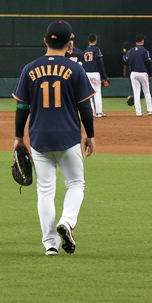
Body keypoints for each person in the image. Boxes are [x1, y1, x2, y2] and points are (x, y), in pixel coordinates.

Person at [12, 20, 96, 256]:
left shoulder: (30, 68)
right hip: (68, 137)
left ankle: (50, 244)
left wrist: (19, 137)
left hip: (39, 139)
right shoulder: (75, 69)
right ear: (70, 44)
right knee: (76, 184)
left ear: (45, 40)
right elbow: (85, 108)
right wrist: (90, 135)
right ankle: (67, 222)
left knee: (45, 192)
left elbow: (22, 108)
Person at [123, 35, 152, 116]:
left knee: (136, 92)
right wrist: (149, 74)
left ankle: (138, 112)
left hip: (133, 73)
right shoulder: (144, 51)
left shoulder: (131, 51)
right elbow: (148, 62)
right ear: (142, 42)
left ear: (136, 42)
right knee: (146, 91)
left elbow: (125, 59)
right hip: (143, 72)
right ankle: (150, 110)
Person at [81, 34, 107, 117]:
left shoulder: (85, 51)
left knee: (89, 94)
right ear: (95, 40)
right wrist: (104, 77)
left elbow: (82, 63)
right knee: (97, 92)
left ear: (88, 41)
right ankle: (99, 112)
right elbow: (100, 63)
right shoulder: (96, 50)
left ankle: (91, 112)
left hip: (86, 73)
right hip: (95, 73)